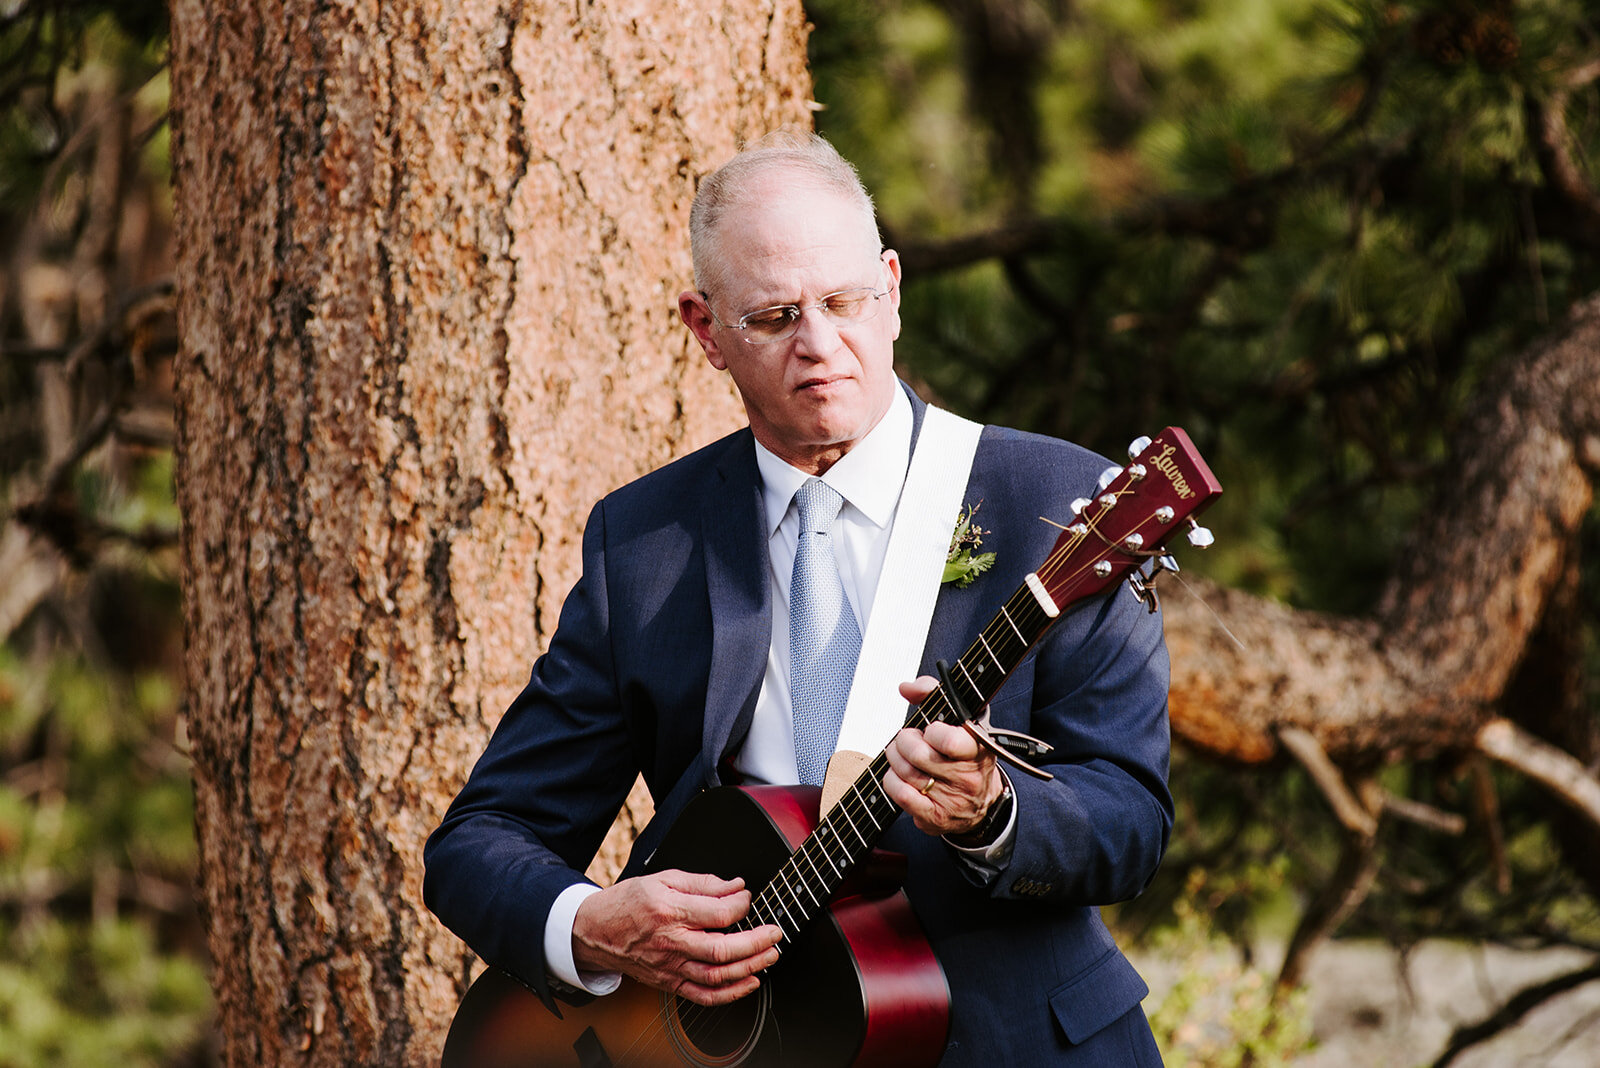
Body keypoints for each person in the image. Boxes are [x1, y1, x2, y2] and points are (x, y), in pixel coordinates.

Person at [424, 132, 1172, 1065]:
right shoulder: (649, 542)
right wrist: (589, 923)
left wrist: (996, 811)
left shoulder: (1057, 509)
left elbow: (1132, 822)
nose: (821, 347)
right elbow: (482, 840)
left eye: (844, 301)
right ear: (705, 331)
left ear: (892, 289)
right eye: (774, 318)